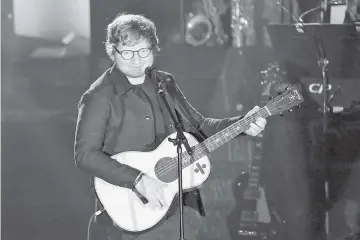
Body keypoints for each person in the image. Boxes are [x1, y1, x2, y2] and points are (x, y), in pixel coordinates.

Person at [74, 13, 267, 240]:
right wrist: (137, 179)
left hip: (175, 208)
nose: (136, 59)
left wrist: (243, 124)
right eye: (127, 52)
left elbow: (199, 127)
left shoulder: (164, 84)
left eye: (143, 51)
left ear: (154, 49)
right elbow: (85, 154)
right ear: (112, 51)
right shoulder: (99, 96)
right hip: (129, 212)